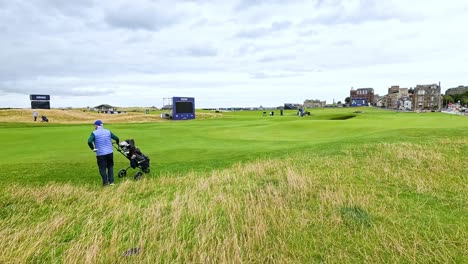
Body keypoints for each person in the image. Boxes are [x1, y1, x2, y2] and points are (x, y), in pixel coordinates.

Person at [88, 120, 119, 186]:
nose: (94, 127)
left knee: (102, 169)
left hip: (101, 154)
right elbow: (116, 138)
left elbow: (89, 141)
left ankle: (105, 183)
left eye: (94, 125)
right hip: (110, 153)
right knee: (110, 167)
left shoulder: (94, 133)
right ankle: (111, 182)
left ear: (97, 126)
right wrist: (117, 143)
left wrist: (93, 148)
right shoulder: (108, 131)